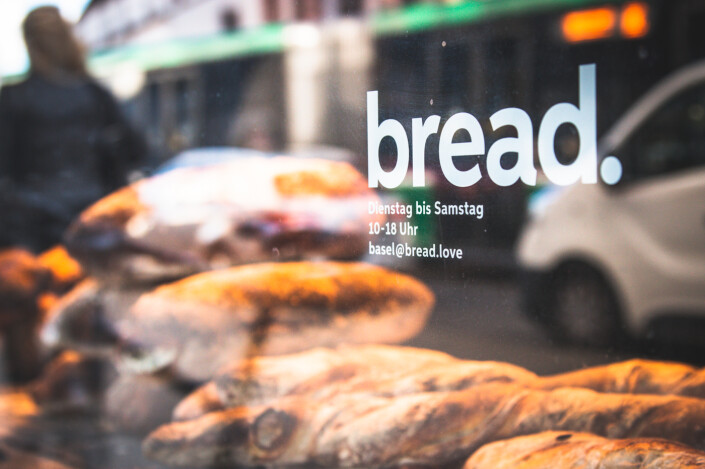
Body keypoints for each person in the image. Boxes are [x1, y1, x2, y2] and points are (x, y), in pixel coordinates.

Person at [0, 6, 146, 253]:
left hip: (33, 231)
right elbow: (137, 150)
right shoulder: (94, 94)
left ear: (30, 45)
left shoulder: (13, 99)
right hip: (94, 223)